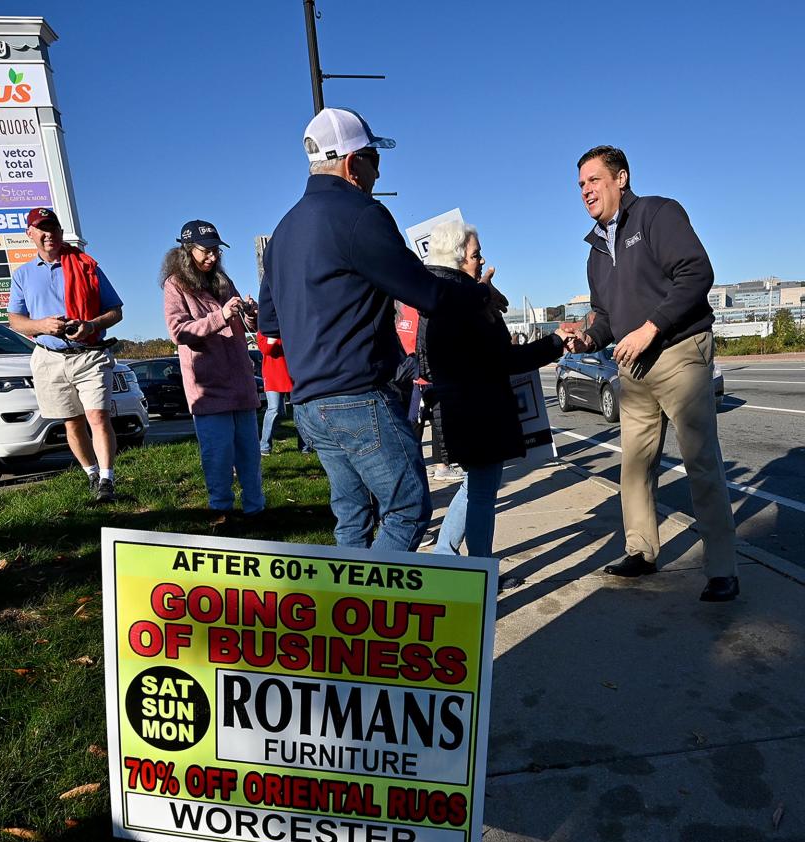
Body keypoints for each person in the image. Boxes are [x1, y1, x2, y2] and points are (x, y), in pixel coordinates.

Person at [258, 107, 504, 551]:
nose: (377, 173)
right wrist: (480, 295)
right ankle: (366, 613)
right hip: (358, 394)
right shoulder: (360, 215)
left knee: (352, 516)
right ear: (354, 163)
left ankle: (343, 612)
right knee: (408, 509)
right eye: (375, 160)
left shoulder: (283, 231)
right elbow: (427, 292)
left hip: (310, 402)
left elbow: (269, 322)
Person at [572, 146, 738, 602]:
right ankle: (641, 551)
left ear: (620, 178)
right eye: (581, 184)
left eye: (594, 180)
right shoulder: (594, 252)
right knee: (635, 465)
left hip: (679, 353)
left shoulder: (656, 215)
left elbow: (696, 272)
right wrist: (588, 338)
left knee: (700, 460)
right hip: (632, 368)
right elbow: (606, 316)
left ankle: (722, 568)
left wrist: (651, 327)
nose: (586, 190)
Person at [420, 220, 571, 557]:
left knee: (475, 487)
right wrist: (555, 342)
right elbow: (505, 359)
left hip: (464, 412)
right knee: (483, 495)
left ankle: (447, 553)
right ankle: (479, 572)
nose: (482, 262)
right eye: (476, 255)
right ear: (458, 260)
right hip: (480, 415)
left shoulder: (441, 298)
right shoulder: (465, 303)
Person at [7, 207, 123, 503]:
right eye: (41, 229)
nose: (49, 234)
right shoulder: (23, 275)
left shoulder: (86, 266)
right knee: (72, 422)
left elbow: (115, 311)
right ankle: (92, 474)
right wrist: (41, 325)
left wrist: (91, 325)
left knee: (97, 416)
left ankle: (108, 482)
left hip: (89, 354)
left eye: (53, 228)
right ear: (30, 234)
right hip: (49, 357)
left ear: (61, 231)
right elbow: (15, 321)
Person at [162, 220, 264, 517]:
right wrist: (221, 315)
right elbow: (179, 331)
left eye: (216, 251)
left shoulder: (223, 280)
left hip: (241, 384)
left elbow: (244, 326)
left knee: (250, 456)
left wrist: (251, 317)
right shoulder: (174, 285)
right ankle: (221, 513)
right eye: (206, 251)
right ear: (186, 250)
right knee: (218, 457)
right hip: (208, 388)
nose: (213, 257)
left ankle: (256, 512)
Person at [256, 332, 311, 455]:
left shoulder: (290, 326)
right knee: (273, 409)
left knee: (300, 411)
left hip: (293, 375)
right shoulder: (264, 330)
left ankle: (305, 446)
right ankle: (265, 446)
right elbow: (267, 349)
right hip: (273, 375)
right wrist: (273, 335)